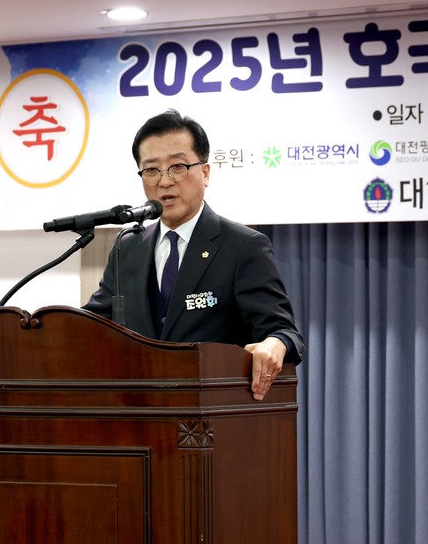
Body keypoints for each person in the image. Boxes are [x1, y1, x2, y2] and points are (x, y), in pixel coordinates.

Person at [83, 109, 304, 400]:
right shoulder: (128, 246)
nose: (164, 181)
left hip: (211, 411)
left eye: (177, 167)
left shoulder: (243, 246)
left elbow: (284, 331)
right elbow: (90, 324)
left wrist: (276, 342)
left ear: (205, 172)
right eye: (151, 170)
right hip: (139, 410)